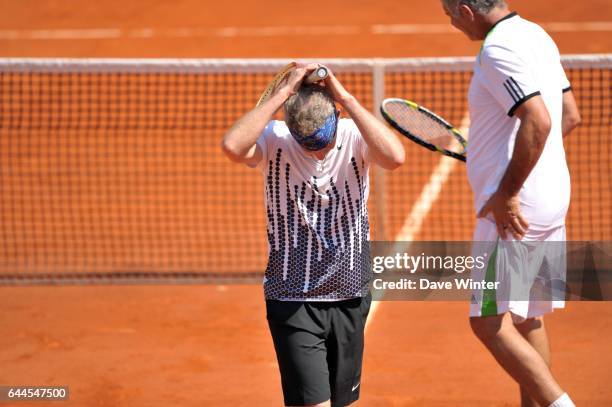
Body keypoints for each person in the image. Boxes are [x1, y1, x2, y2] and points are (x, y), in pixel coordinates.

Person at [221, 63, 405, 407]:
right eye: (306, 144)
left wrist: (346, 98)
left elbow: (395, 157)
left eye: (323, 141)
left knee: (342, 402)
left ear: (337, 118)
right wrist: (281, 94)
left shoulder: (353, 135)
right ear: (290, 129)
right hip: (293, 298)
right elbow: (233, 146)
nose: (316, 152)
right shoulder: (274, 140)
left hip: (351, 293)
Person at [440, 1, 581, 406]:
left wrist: (507, 191)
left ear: (466, 10)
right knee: (526, 316)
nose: (450, 22)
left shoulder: (497, 49)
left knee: (487, 322)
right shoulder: (536, 33)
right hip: (550, 197)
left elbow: (538, 120)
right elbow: (569, 115)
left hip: (514, 212)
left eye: (450, 14)